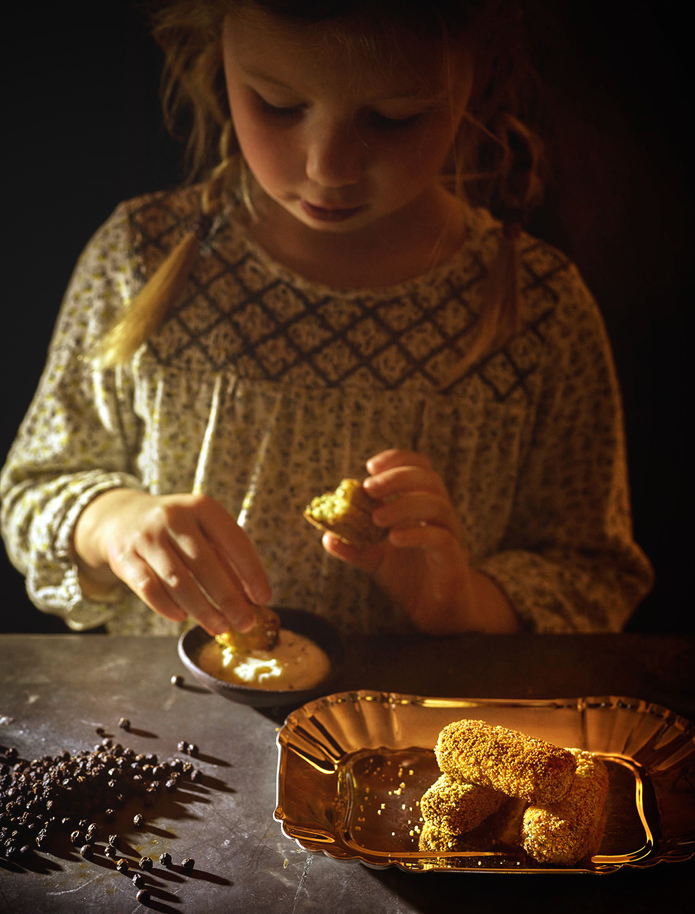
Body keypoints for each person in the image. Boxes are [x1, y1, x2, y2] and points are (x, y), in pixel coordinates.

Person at [0, 0, 652, 638]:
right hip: (174, 728)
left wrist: (463, 606)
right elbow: (36, 489)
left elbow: (593, 576)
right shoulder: (142, 256)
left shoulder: (538, 307)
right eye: (278, 105)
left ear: (477, 82)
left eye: (393, 118)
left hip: (417, 734)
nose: (328, 168)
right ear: (215, 59)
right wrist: (113, 524)